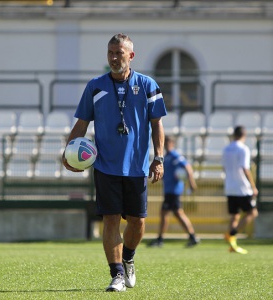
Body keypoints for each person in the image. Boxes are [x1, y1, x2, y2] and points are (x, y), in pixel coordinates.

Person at [63, 33, 167, 292]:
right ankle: (117, 274)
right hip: (105, 165)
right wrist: (66, 153)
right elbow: (81, 123)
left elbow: (157, 125)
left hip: (137, 166)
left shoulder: (147, 85)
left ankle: (129, 258)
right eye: (110, 52)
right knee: (110, 220)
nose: (113, 58)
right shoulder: (95, 86)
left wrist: (159, 158)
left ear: (130, 56)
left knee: (137, 222)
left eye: (118, 53)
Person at [149, 135, 199, 248]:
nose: (166, 144)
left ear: (172, 143)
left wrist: (191, 183)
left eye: (168, 142)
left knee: (165, 213)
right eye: (165, 142)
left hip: (174, 191)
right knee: (177, 213)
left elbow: (188, 167)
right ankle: (192, 237)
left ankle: (160, 239)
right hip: (169, 190)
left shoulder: (175, 155)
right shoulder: (166, 157)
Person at [222, 126, 258, 254]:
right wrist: (253, 186)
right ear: (244, 135)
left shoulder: (226, 149)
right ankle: (232, 233)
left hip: (230, 187)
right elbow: (245, 168)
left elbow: (225, 168)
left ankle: (233, 245)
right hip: (242, 188)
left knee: (234, 216)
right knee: (252, 213)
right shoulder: (243, 149)